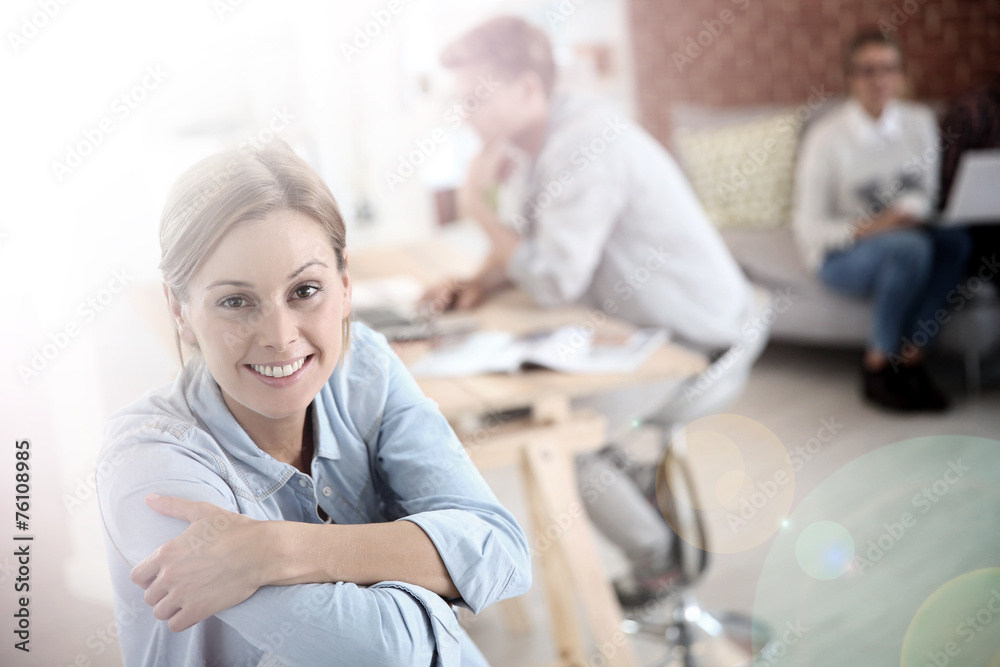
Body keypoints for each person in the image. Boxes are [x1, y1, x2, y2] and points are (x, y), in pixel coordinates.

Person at [96, 141, 531, 666]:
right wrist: (437, 580)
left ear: (345, 287)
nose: (280, 336)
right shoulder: (151, 467)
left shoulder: (362, 366)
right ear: (180, 309)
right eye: (236, 301)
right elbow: (380, 652)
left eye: (305, 290)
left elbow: (502, 550)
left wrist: (282, 550)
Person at [426, 16, 756, 607]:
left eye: (473, 98)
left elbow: (554, 280)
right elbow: (538, 248)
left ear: (527, 89)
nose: (462, 114)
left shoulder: (583, 145)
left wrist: (478, 207)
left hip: (696, 342)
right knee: (517, 410)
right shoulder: (540, 142)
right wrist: (480, 280)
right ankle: (637, 492)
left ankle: (662, 562)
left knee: (561, 437)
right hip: (640, 332)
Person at [792, 29, 972, 411]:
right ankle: (877, 367)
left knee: (955, 241)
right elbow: (809, 228)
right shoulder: (825, 138)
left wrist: (909, 213)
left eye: (889, 69)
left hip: (906, 234)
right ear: (850, 78)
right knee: (909, 248)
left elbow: (928, 194)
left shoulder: (920, 122)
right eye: (867, 71)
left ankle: (912, 358)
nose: (879, 80)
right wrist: (874, 227)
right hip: (840, 254)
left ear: (901, 75)